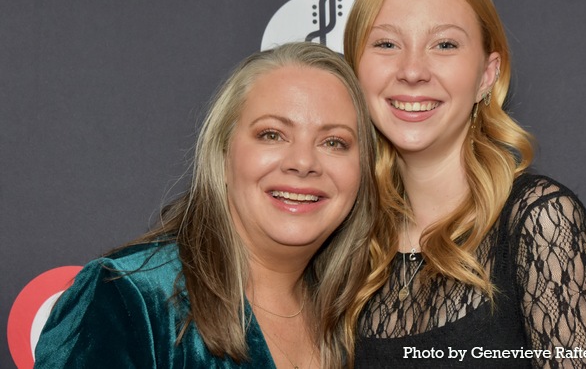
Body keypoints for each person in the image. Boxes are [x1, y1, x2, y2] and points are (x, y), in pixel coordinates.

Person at [343, 0, 586, 368]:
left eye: (445, 44)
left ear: (487, 76)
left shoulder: (539, 221)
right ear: (353, 71)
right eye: (386, 43)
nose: (413, 70)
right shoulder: (341, 241)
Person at [34, 42, 378, 369]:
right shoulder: (126, 298)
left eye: (335, 142)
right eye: (271, 134)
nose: (303, 162)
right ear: (224, 152)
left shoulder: (367, 319)